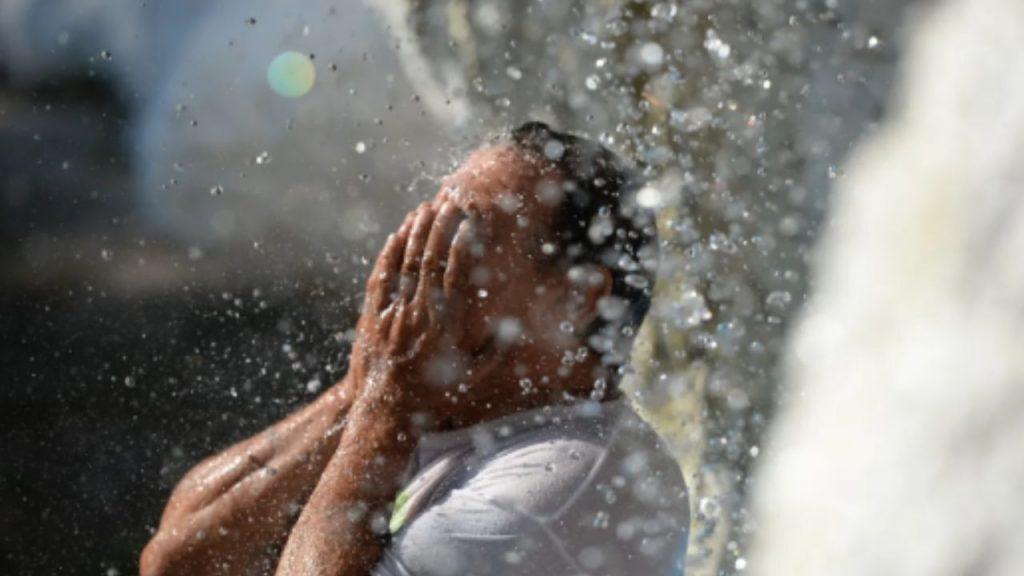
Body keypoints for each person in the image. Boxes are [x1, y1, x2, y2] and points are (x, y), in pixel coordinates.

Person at [140, 122, 689, 576]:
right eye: (429, 221)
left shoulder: (545, 500)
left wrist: (386, 408)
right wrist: (363, 390)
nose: (417, 254)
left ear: (577, 297)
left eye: (462, 232)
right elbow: (177, 563)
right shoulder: (455, 410)